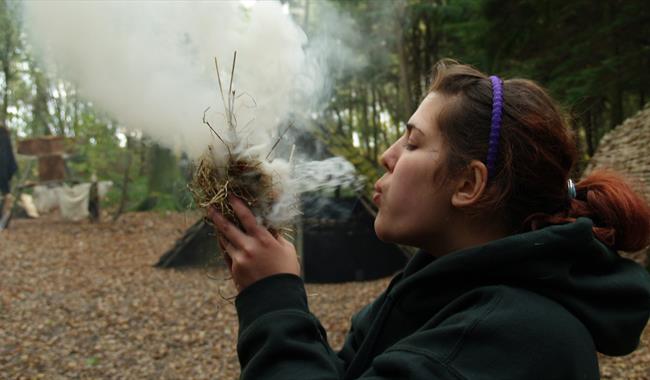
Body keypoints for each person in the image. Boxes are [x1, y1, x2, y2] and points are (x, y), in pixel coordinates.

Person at [208, 60, 650, 379]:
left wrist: (274, 300)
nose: (387, 155)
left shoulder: (510, 336)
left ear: (467, 185)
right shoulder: (430, 288)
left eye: (413, 143)